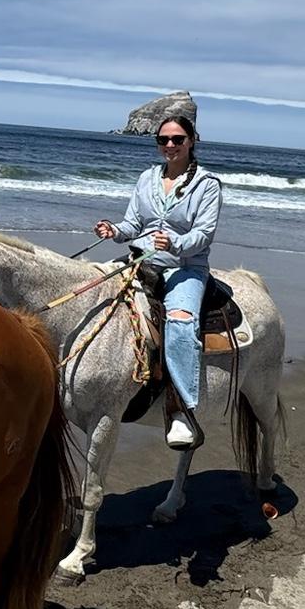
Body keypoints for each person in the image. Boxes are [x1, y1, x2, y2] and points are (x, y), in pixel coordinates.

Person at [94, 114, 222, 449]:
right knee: (96, 290)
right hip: (142, 259)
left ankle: (180, 410)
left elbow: (204, 234)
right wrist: (114, 231)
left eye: (177, 139)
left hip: (185, 267)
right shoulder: (147, 178)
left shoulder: (207, 185)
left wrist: (175, 243)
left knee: (180, 322)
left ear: (191, 141)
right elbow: (133, 224)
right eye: (163, 139)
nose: (170, 145)